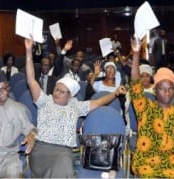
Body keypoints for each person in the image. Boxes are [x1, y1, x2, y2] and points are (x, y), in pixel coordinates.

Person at [24, 37, 127, 178]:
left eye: (62, 91)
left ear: (70, 95)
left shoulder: (75, 106)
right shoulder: (44, 101)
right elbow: (31, 80)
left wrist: (115, 93)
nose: (57, 93)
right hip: (42, 151)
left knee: (64, 161)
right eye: (56, 89)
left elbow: (98, 102)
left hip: (64, 152)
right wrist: (29, 51)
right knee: (63, 164)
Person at [129, 37, 174, 178]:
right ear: (155, 90)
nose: (167, 92)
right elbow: (135, 85)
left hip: (173, 160)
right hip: (148, 161)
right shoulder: (145, 108)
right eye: (162, 88)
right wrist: (136, 54)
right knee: (147, 171)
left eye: (170, 88)